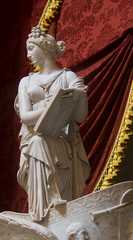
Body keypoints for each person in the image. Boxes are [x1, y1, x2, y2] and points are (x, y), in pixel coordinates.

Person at [16, 27, 90, 221]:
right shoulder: (26, 82)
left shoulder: (67, 77)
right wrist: (47, 109)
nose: (28, 54)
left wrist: (81, 96)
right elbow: (25, 116)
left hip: (60, 140)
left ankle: (55, 204)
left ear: (45, 48)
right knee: (37, 142)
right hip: (34, 137)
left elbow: (80, 117)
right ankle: (44, 207)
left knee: (40, 143)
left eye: (31, 48)